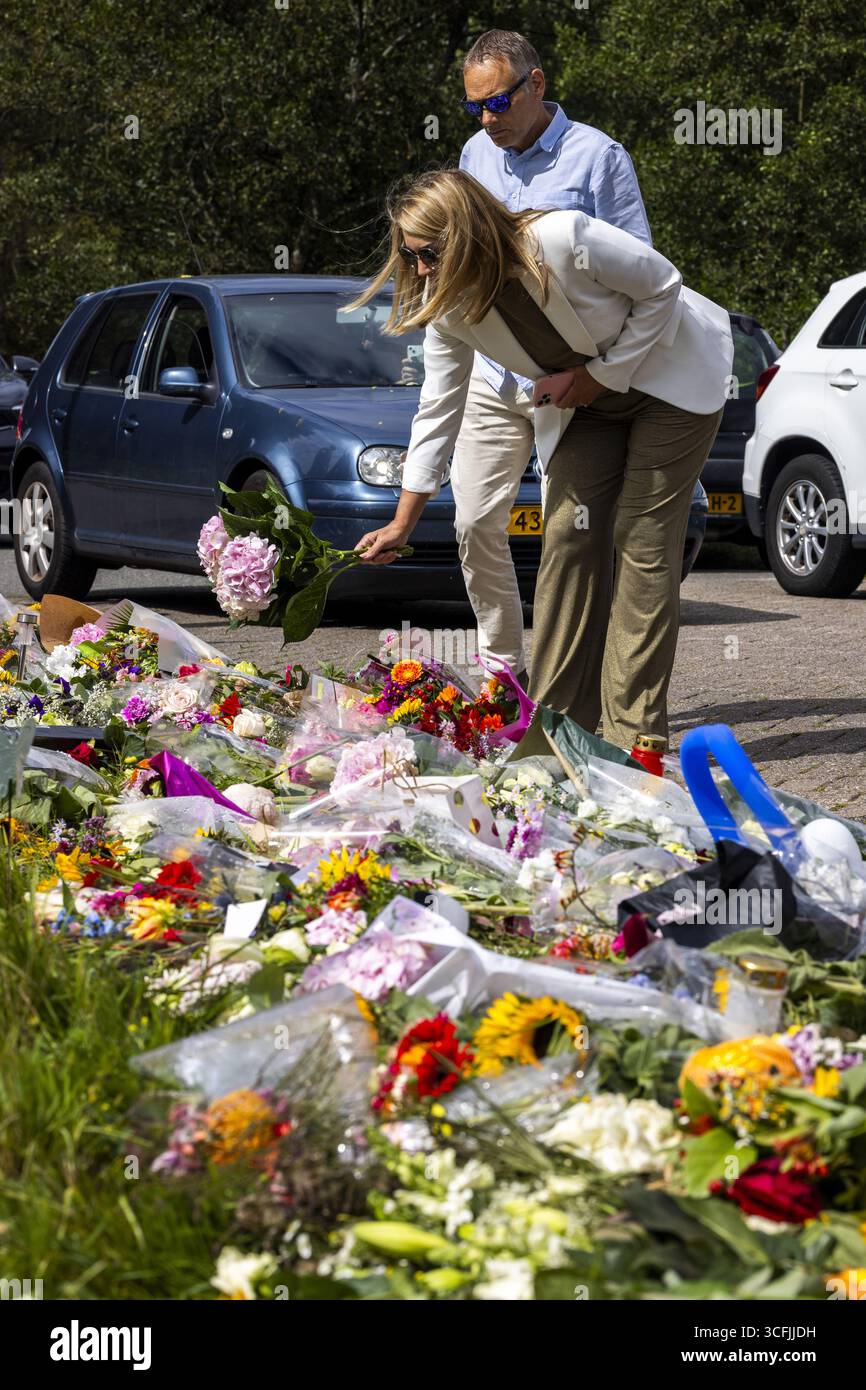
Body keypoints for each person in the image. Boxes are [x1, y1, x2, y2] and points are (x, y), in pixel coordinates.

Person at [349, 169, 733, 769]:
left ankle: (640, 740)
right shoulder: (449, 307)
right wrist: (403, 521)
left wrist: (598, 377)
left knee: (642, 539)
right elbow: (439, 406)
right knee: (567, 537)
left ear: (467, 234)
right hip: (592, 403)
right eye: (408, 255)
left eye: (428, 254)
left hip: (674, 385)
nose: (419, 270)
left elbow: (664, 285)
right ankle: (557, 732)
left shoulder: (564, 237)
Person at [453, 29, 652, 688]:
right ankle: (501, 679)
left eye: (499, 102)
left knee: (573, 536)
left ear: (536, 84)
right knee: (474, 520)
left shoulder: (599, 159)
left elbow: (644, 275)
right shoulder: (474, 155)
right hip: (493, 371)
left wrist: (598, 377)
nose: (488, 119)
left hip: (565, 378)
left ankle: (573, 685)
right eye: (475, 106)